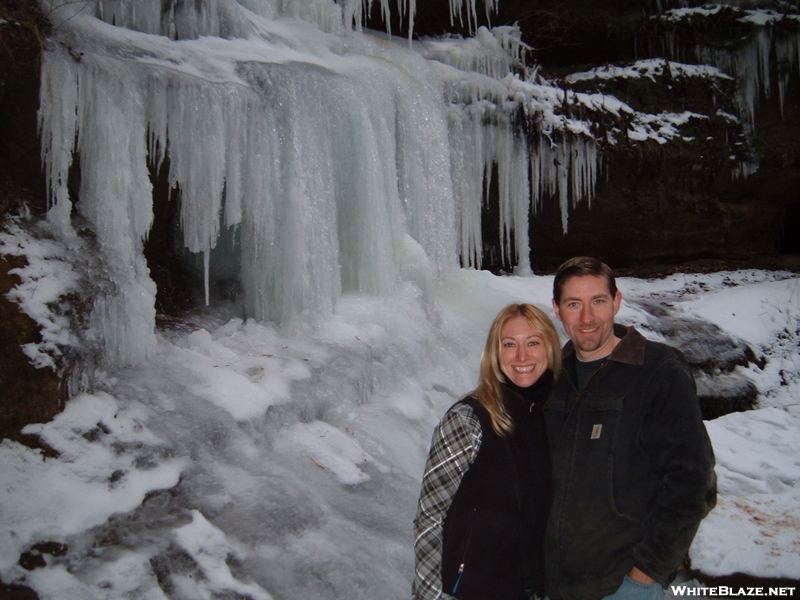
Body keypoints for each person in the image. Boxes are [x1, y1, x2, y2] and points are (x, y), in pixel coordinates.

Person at [544, 257, 717, 600]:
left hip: (622, 583)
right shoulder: (551, 378)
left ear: (617, 303)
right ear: (557, 309)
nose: (587, 317)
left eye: (598, 302)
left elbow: (692, 482)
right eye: (573, 304)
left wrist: (645, 575)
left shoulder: (657, 371)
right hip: (554, 582)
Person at [412, 303, 561, 600]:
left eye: (533, 343)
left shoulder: (551, 418)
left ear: (551, 349)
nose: (522, 356)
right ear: (495, 353)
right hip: (468, 591)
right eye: (509, 345)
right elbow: (429, 517)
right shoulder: (468, 420)